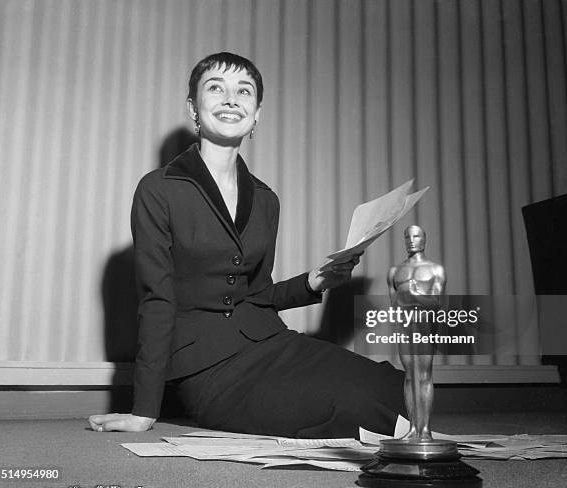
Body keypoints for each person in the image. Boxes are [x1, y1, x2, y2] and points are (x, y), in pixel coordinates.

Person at [89, 52, 406, 438]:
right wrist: (144, 411)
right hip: (210, 370)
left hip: (269, 341)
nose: (230, 99)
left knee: (396, 390)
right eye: (215, 88)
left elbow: (256, 295)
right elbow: (157, 301)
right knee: (357, 410)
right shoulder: (158, 189)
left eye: (244, 91)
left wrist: (314, 281)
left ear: (257, 113)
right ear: (193, 106)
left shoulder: (265, 198)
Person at [387, 225, 446, 441]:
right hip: (405, 327)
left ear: (424, 239)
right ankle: (413, 428)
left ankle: (426, 430)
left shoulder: (435, 270)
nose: (412, 240)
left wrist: (413, 294)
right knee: (410, 377)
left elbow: (437, 303)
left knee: (424, 375)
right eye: (408, 237)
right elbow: (393, 305)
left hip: (424, 325)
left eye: (417, 236)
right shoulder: (395, 272)